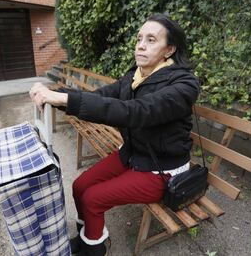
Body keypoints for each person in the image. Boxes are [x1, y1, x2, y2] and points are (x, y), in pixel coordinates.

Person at [29, 13, 200, 256]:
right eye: (139, 38)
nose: (141, 45)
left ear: (169, 50)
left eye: (151, 40)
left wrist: (62, 99)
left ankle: (95, 248)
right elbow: (101, 97)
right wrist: (53, 95)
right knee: (79, 186)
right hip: (133, 152)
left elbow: (136, 112)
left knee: (93, 198)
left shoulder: (184, 86)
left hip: (161, 168)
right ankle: (90, 235)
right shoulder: (135, 76)